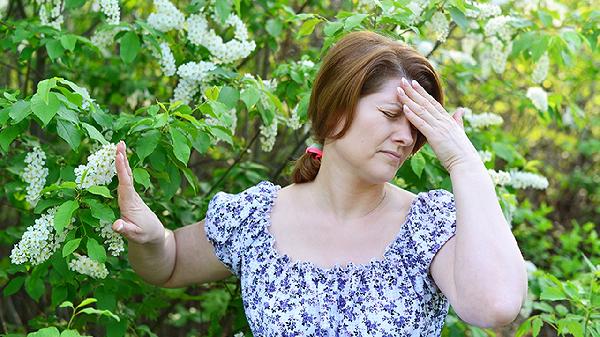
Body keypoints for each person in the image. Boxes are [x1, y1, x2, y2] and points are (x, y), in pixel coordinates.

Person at [112, 31, 528, 336]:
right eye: (389, 115)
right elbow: (166, 264)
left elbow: (494, 306)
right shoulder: (255, 218)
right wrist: (149, 238)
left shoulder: (427, 226)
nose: (407, 137)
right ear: (334, 113)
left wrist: (464, 163)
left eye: (416, 125)